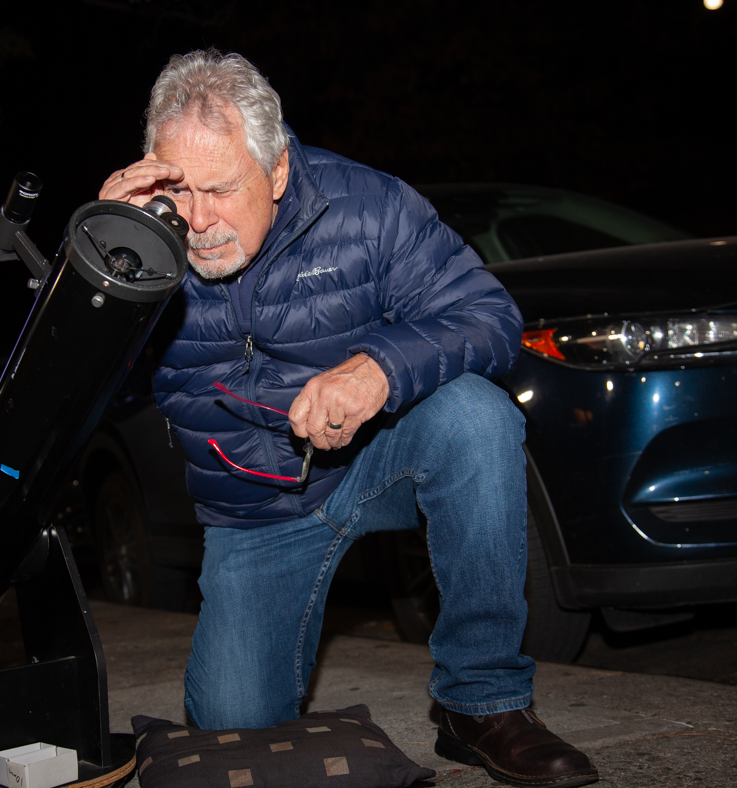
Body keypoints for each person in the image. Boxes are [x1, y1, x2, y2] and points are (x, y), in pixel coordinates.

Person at [98, 49, 598, 788]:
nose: (197, 221)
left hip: (368, 462)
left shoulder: (371, 206)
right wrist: (105, 260)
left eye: (221, 190)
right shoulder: (145, 235)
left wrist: (381, 368)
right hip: (253, 511)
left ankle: (483, 703)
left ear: (275, 171)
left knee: (476, 417)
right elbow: (64, 392)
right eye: (179, 190)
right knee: (233, 723)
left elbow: (489, 316)